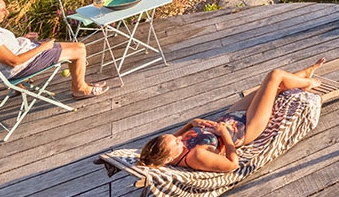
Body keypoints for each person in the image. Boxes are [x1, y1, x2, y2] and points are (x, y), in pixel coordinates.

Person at [137, 59, 325, 172]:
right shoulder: (196, 157)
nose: (179, 139)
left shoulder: (171, 150)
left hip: (231, 117)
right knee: (274, 76)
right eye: (177, 142)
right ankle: (310, 83)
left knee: (271, 87)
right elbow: (232, 164)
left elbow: (175, 139)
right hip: (247, 127)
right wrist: (223, 133)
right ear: (169, 159)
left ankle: (305, 74)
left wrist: (190, 124)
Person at [0, 0, 108, 98]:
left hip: (24, 52)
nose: (6, 12)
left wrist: (22, 39)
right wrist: (42, 48)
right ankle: (80, 89)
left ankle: (80, 84)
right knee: (78, 51)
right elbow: (13, 62)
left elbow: (1, 49)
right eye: (2, 10)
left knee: (79, 46)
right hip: (18, 68)